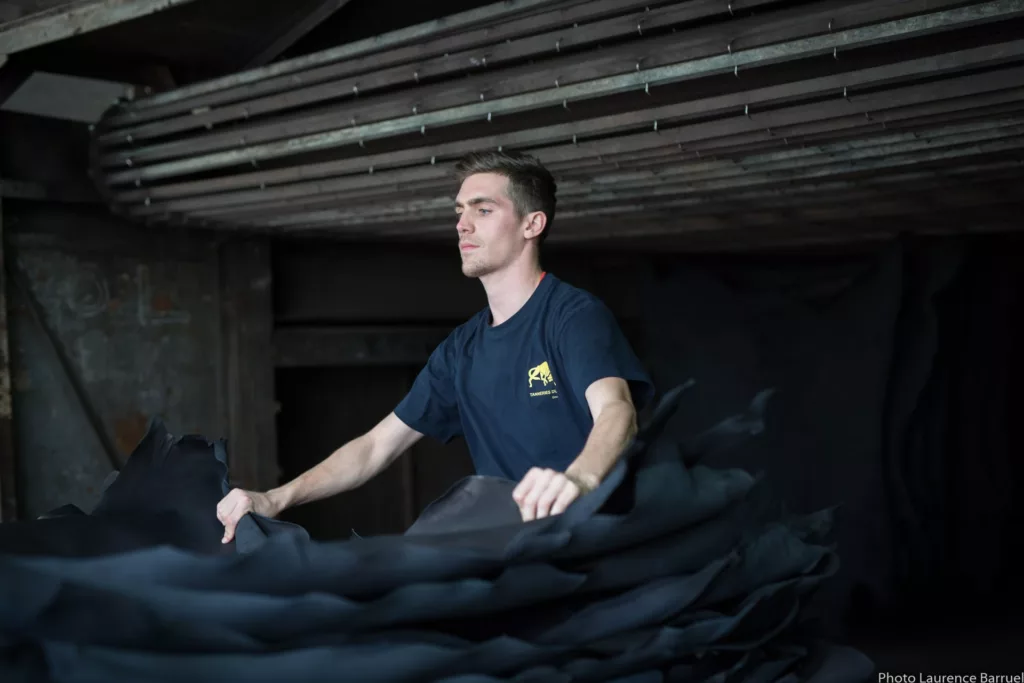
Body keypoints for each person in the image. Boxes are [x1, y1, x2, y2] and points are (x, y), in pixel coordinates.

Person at [216, 150, 654, 544]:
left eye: (483, 210)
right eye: (460, 211)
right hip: (513, 551)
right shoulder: (461, 349)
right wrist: (275, 498)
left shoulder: (572, 316)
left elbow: (617, 410)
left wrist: (577, 479)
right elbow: (375, 448)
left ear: (531, 224)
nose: (462, 224)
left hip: (593, 541)